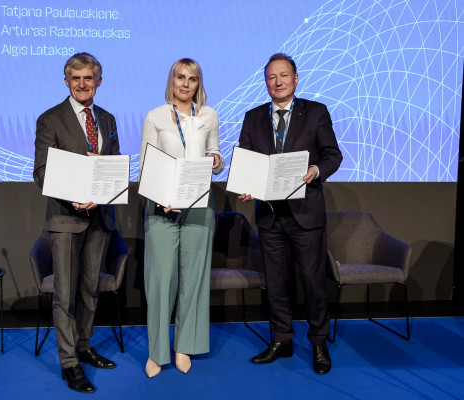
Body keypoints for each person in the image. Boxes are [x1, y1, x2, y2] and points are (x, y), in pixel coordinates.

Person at [238, 53, 342, 375]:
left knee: (313, 282)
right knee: (276, 283)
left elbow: (333, 155)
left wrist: (316, 170)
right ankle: (281, 340)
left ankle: (319, 342)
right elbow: (246, 160)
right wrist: (246, 184)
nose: (278, 82)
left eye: (284, 76)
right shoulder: (253, 117)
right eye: (271, 77)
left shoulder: (316, 112)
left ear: (296, 79)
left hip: (306, 214)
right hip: (270, 216)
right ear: (265, 82)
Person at [33, 52, 120, 393]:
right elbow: (41, 172)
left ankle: (83, 346)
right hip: (66, 218)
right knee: (65, 296)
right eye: (76, 78)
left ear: (99, 81)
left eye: (88, 78)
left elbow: (114, 165)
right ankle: (69, 363)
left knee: (89, 291)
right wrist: (73, 195)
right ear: (66, 81)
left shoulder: (108, 119)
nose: (82, 84)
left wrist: (101, 190)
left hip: (99, 216)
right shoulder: (50, 119)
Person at [139, 58, 224, 378]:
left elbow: (216, 157)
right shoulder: (155, 116)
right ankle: (157, 351)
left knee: (194, 281)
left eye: (192, 79)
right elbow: (146, 164)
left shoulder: (209, 115)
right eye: (180, 77)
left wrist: (216, 160)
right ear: (171, 81)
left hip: (199, 205)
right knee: (161, 281)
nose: (186, 84)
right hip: (162, 206)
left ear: (198, 83)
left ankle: (184, 346)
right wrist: (162, 197)